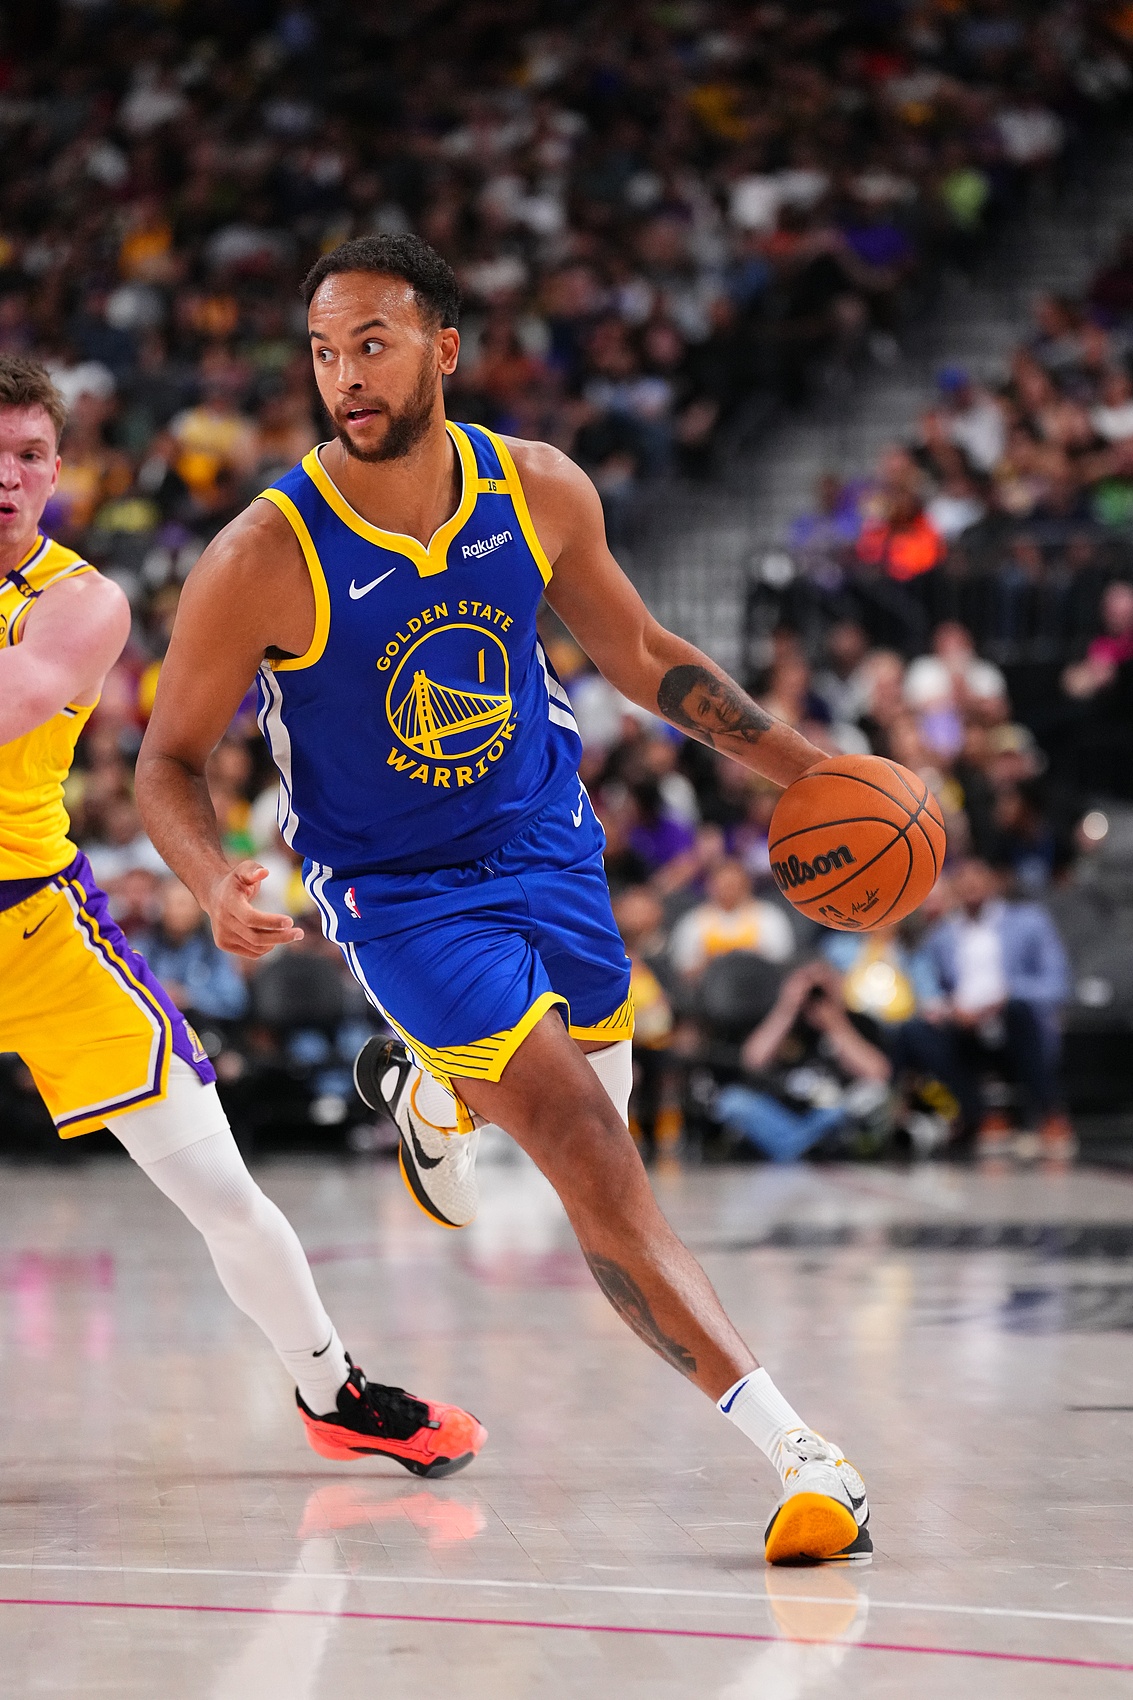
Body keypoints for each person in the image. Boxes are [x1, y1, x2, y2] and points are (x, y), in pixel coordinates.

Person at [136, 233, 872, 1566]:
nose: (345, 376)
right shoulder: (262, 554)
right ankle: (801, 1455)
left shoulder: (534, 488)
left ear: (444, 348)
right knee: (591, 1149)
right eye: (324, 351)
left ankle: (430, 1091)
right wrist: (209, 879)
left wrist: (816, 773)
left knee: (602, 1110)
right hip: (402, 897)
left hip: (549, 845)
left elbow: (639, 653)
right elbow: (165, 760)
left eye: (372, 344)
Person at [0, 353, 484, 1480]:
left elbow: (16, 698)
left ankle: (333, 1390)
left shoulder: (81, 600)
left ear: (59, 472)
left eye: (28, 455)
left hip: (34, 933)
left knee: (218, 1187)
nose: (7, 477)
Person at [923, 858, 1074, 1158]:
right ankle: (981, 1116)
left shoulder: (1029, 922)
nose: (971, 885)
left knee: (1019, 1013)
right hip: (965, 1023)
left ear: (992, 881)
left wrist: (1005, 996)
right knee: (922, 1033)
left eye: (977, 877)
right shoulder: (941, 937)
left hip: (1013, 1016)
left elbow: (1057, 983)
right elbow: (930, 988)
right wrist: (950, 1009)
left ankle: (1049, 1113)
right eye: (963, 879)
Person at [715, 960, 894, 1163]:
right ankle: (806, 1148)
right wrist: (786, 1008)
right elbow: (753, 1060)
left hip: (830, 1114)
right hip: (784, 1114)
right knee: (732, 1101)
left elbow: (878, 1073)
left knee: (871, 1097)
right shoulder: (782, 1018)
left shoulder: (859, 1023)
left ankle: (791, 1149)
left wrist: (836, 1024)